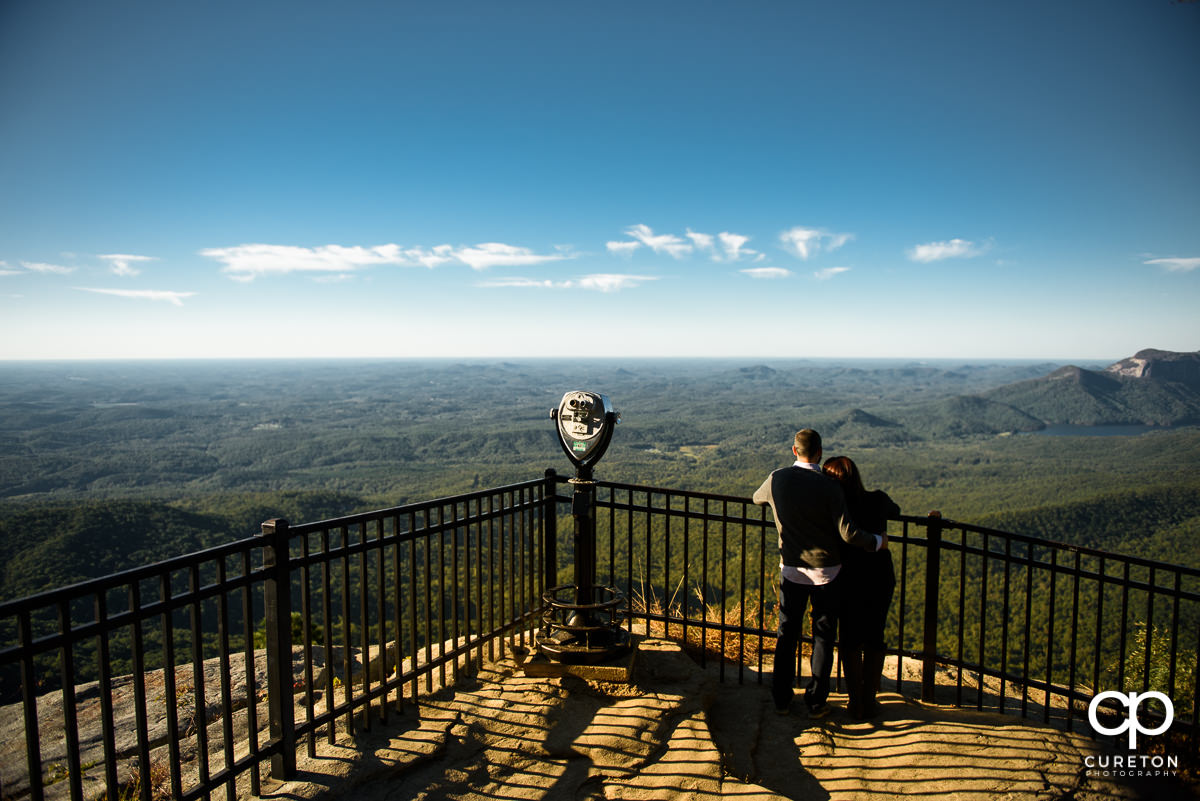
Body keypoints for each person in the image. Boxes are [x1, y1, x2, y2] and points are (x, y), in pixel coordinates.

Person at [753, 429, 886, 718]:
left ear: (794, 450)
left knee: (787, 634)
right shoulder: (829, 486)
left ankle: (781, 698)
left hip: (791, 570)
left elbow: (756, 499)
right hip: (827, 573)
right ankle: (815, 702)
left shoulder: (777, 478)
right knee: (822, 637)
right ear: (820, 452)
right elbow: (848, 533)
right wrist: (877, 541)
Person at [823, 455, 900, 720]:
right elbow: (896, 511)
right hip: (879, 575)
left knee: (850, 637)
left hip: (847, 577)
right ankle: (870, 699)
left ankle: (855, 701)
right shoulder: (877, 499)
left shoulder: (835, 508)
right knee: (875, 634)